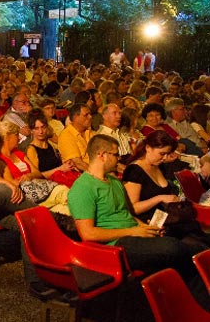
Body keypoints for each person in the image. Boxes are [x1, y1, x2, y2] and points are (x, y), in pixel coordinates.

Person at [67, 134, 210, 308]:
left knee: (191, 253)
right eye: (115, 154)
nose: (119, 158)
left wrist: (145, 227)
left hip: (132, 234)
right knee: (176, 249)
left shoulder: (112, 181)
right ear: (101, 155)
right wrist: (134, 231)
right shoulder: (82, 188)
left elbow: (126, 213)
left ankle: (192, 305)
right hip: (113, 246)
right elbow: (88, 234)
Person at [123, 130, 210, 247]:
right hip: (154, 223)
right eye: (161, 153)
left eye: (167, 154)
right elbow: (132, 208)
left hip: (170, 217)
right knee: (196, 245)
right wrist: (159, 198)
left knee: (199, 235)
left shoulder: (159, 166)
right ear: (148, 148)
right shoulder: (134, 171)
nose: (165, 158)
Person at [25, 109, 77, 187]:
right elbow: (37, 176)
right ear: (31, 130)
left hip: (61, 179)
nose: (41, 131)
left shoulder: (49, 144)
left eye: (43, 127)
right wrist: (60, 169)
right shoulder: (31, 149)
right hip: (49, 185)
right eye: (36, 128)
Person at [58, 103, 95, 172]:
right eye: (86, 115)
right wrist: (97, 174)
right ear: (75, 118)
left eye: (90, 114)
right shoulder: (66, 136)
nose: (90, 117)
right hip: (84, 175)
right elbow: (78, 163)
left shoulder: (90, 132)